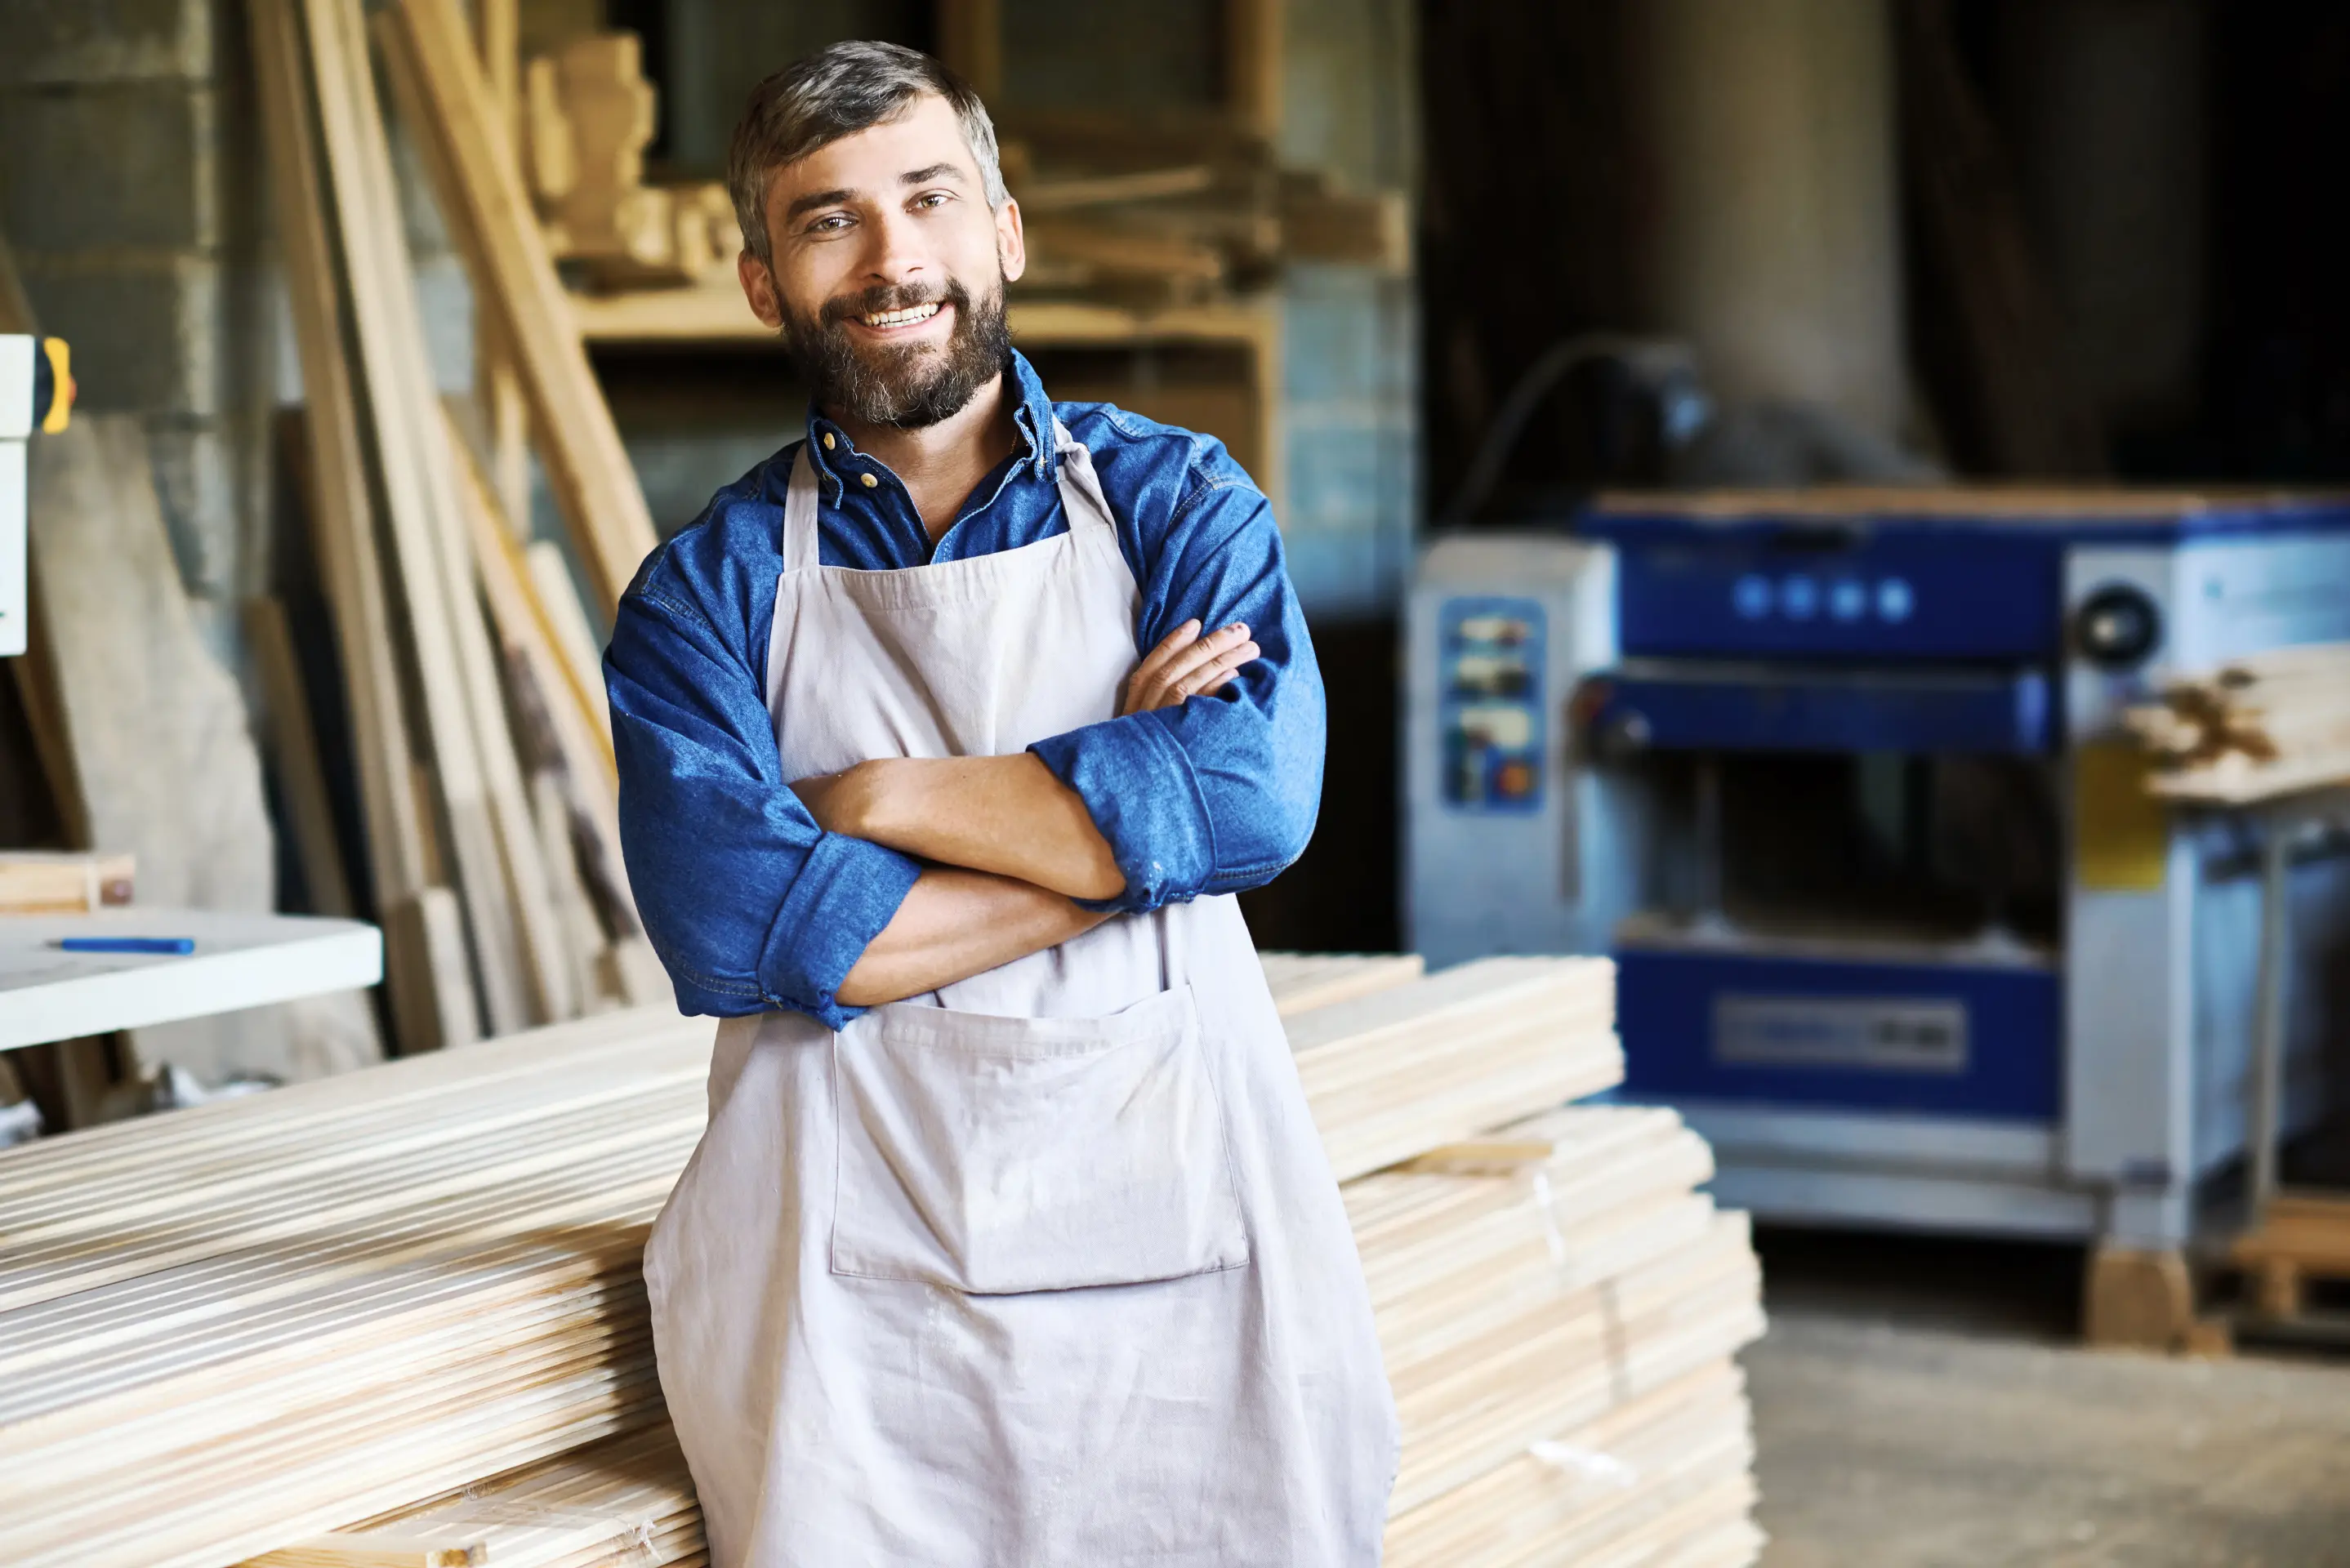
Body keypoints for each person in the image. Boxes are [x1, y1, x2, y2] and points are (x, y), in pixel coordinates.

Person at [607, 39, 1398, 1567]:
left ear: (1005, 232)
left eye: (929, 198)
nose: (893, 258)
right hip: (847, 1335)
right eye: (827, 219)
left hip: (1191, 1297)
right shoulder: (703, 597)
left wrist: (875, 795)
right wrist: (1127, 845)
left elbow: (1248, 804)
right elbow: (755, 929)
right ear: (765, 281)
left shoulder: (1177, 503)